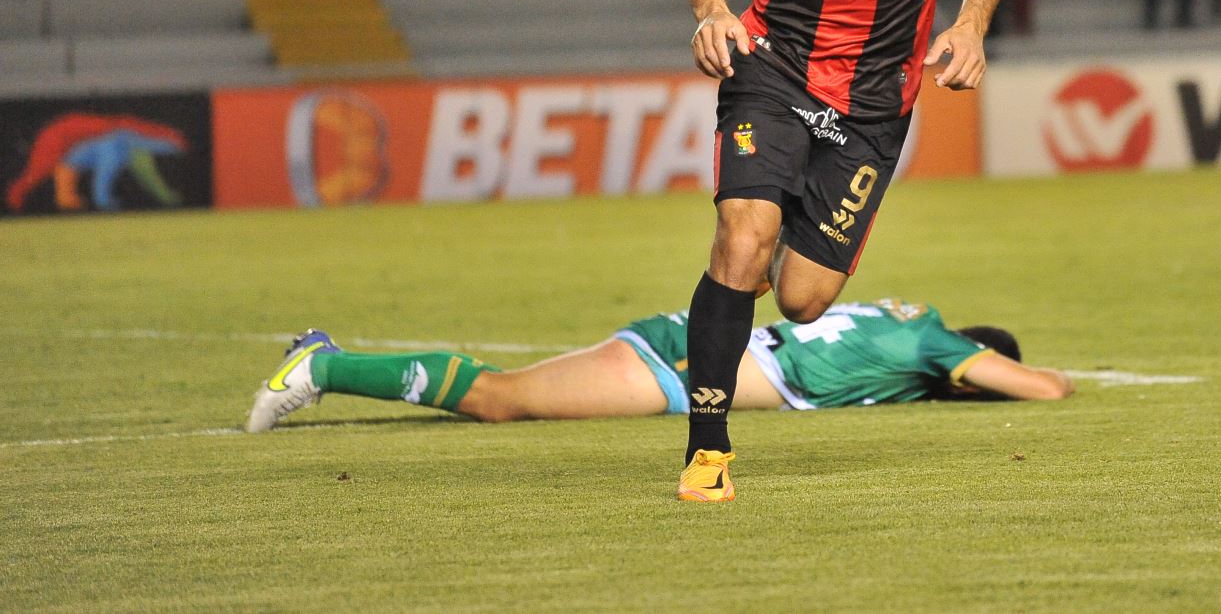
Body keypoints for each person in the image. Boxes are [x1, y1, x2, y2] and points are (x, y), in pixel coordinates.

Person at [676, 0, 1016, 501]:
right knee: (742, 236)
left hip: (874, 102)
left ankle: (755, 268)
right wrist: (710, 8)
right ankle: (707, 450)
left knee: (800, 299)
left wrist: (971, 23)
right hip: (774, 66)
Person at [244, 297, 1072, 441]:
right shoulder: (935, 347)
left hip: (697, 355)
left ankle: (327, 360)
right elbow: (1047, 388)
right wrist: (975, 372)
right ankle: (326, 366)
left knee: (505, 399)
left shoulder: (905, 327)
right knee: (500, 399)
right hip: (685, 363)